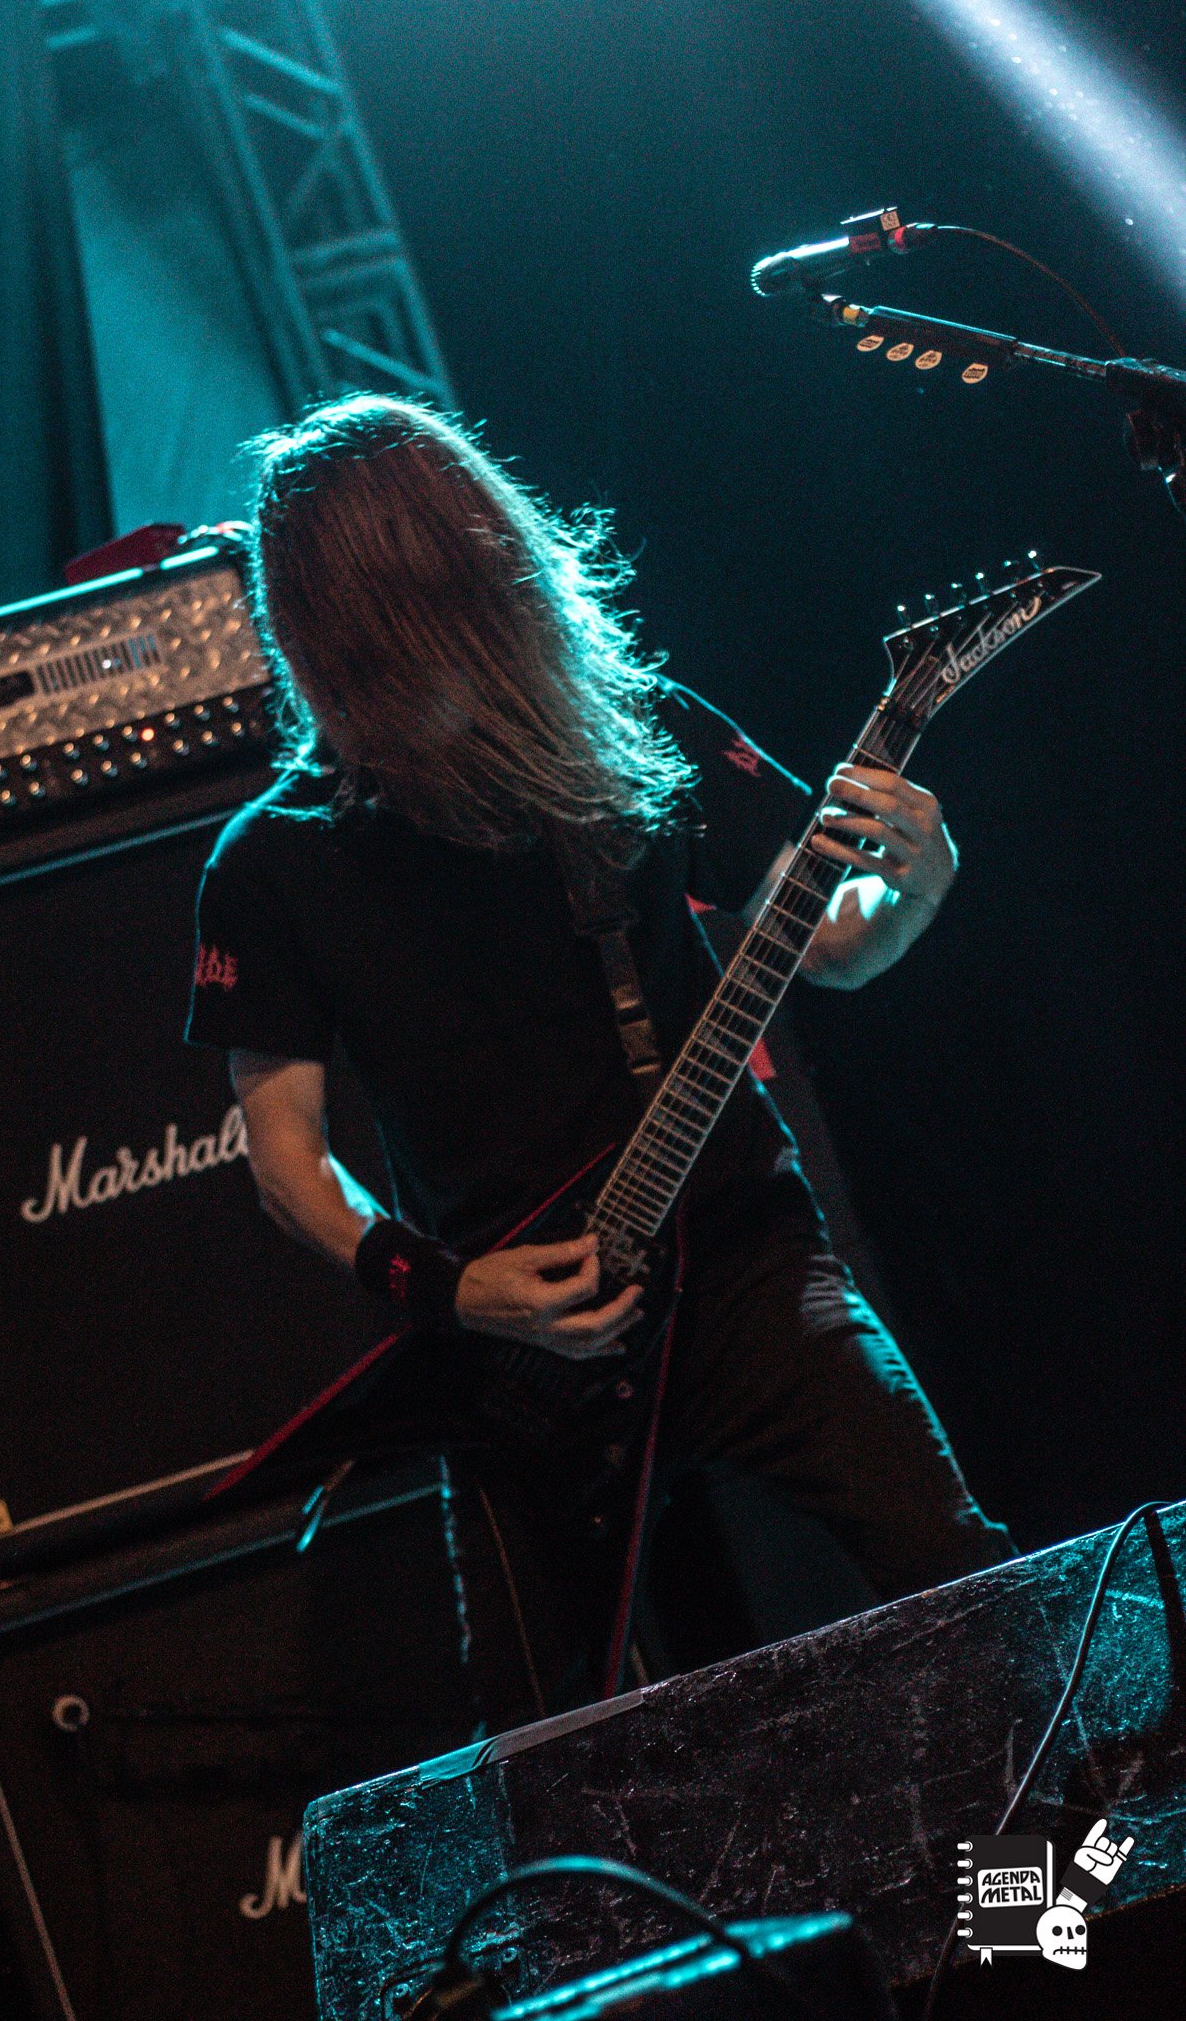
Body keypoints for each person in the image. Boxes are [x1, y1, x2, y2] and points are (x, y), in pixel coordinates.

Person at [186, 393, 1015, 1708]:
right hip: (517, 1345)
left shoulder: (627, 727)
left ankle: (1078, 1838)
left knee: (957, 1571)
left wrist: (920, 877)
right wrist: (451, 1290)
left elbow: (836, 942)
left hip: (740, 1262)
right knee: (550, 1745)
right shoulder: (272, 864)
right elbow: (286, 1159)